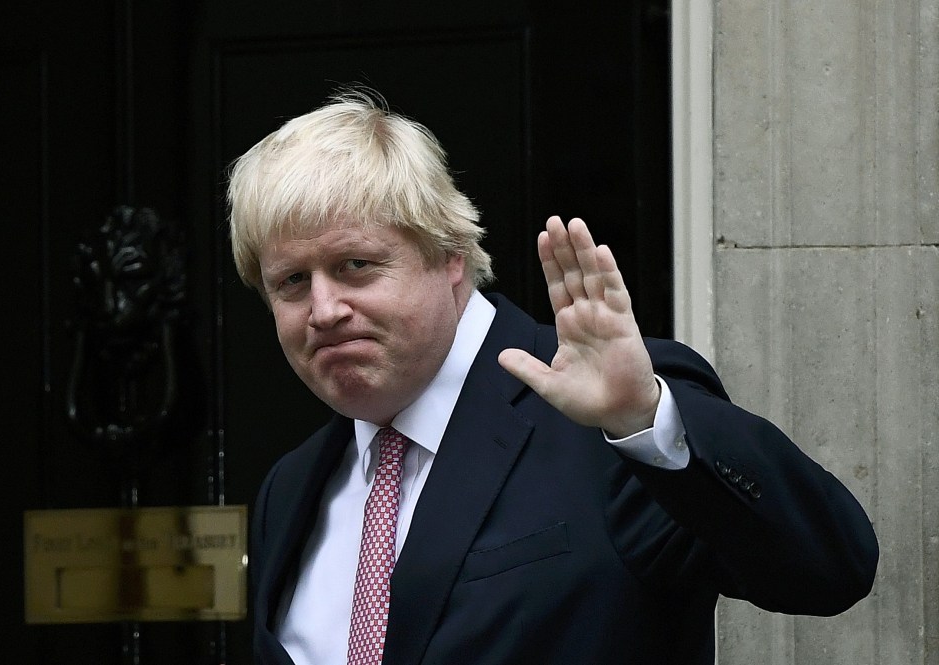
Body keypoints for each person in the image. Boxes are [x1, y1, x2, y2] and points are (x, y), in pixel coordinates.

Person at [227, 89, 878, 665]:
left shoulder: (611, 423)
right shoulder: (292, 488)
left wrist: (645, 419)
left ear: (449, 256)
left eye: (356, 265)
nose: (324, 309)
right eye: (291, 281)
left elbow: (830, 569)